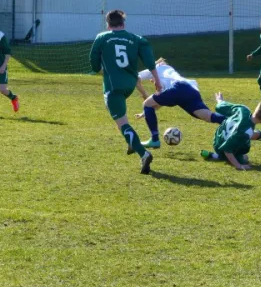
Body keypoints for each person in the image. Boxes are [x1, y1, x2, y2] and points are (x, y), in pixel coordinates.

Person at [89, 10, 162, 175]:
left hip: (113, 86)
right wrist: (156, 79)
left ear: (108, 24)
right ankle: (131, 142)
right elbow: (149, 59)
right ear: (124, 22)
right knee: (120, 114)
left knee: (122, 124)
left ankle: (143, 154)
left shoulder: (102, 38)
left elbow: (93, 60)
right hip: (129, 85)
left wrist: (98, 69)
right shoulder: (135, 39)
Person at [134, 57, 226, 148]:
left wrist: (145, 96)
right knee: (209, 117)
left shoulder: (155, 67)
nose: (151, 81)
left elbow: (135, 78)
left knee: (146, 103)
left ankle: (154, 140)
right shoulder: (168, 73)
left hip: (179, 87)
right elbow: (160, 102)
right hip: (191, 90)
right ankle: (233, 122)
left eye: (151, 80)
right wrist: (145, 112)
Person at [201, 93, 261, 170]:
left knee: (252, 134)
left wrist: (220, 100)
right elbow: (227, 149)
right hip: (221, 146)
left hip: (219, 137)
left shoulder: (243, 109)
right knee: (244, 157)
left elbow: (220, 106)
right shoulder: (245, 132)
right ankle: (215, 156)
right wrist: (239, 165)